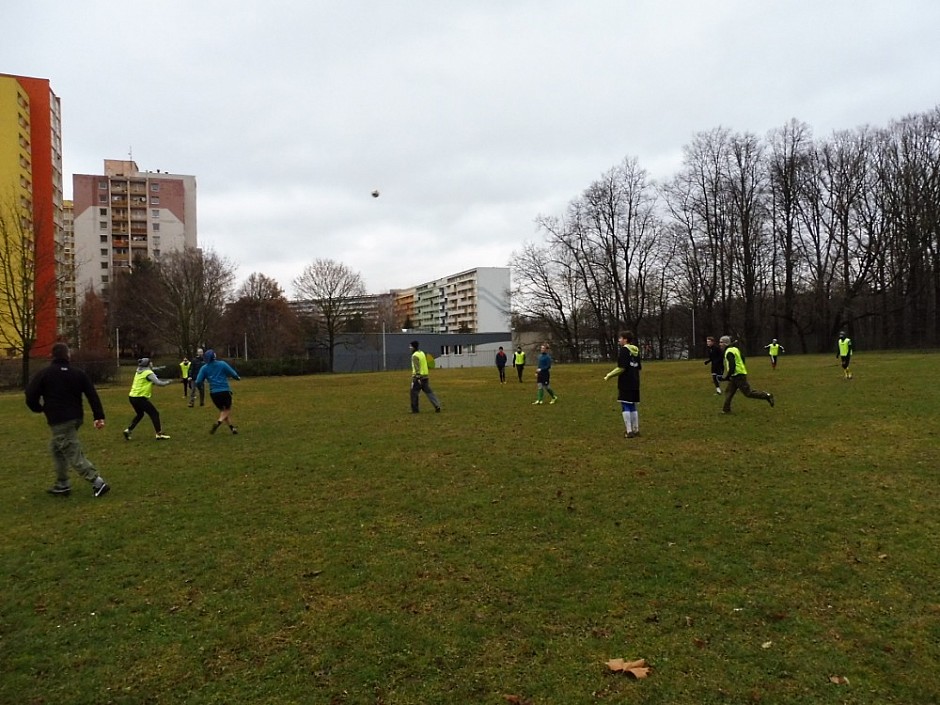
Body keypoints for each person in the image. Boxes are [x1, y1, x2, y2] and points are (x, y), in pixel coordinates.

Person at [24, 342, 110, 497]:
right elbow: (92, 394)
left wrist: (38, 408)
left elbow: (30, 395)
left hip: (59, 420)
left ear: (52, 356)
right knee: (56, 448)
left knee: (72, 451)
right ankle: (62, 484)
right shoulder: (78, 373)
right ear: (68, 355)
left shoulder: (45, 373)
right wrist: (98, 416)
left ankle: (98, 482)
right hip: (76, 417)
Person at [719, 335, 774, 413]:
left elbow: (732, 365)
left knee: (748, 393)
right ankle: (726, 410)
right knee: (729, 391)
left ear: (726, 343)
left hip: (738, 375)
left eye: (721, 342)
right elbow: (742, 358)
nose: (720, 344)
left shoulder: (729, 352)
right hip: (736, 374)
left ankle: (767, 396)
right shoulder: (735, 349)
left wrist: (727, 376)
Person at [123, 358, 173, 441]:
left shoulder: (138, 371)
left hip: (132, 397)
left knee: (140, 414)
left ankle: (128, 430)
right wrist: (168, 382)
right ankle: (159, 434)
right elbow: (159, 383)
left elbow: (147, 379)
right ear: (148, 364)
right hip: (140, 398)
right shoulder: (148, 373)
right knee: (154, 413)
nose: (152, 364)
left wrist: (161, 368)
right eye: (151, 362)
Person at [604, 330, 642, 438]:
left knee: (625, 404)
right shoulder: (636, 350)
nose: (619, 340)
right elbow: (638, 367)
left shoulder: (624, 350)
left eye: (620, 338)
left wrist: (609, 375)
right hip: (635, 380)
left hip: (626, 381)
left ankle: (629, 431)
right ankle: (636, 429)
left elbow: (621, 368)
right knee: (633, 405)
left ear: (625, 340)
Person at [195, 349, 242, 434]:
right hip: (224, 391)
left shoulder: (204, 368)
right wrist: (237, 378)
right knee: (227, 410)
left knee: (223, 411)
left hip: (214, 393)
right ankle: (218, 422)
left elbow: (198, 381)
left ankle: (232, 428)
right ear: (214, 356)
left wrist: (199, 387)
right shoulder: (222, 364)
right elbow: (233, 373)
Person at [409, 340, 441, 413]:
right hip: (425, 377)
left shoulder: (414, 356)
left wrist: (417, 377)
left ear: (414, 347)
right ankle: (437, 405)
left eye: (410, 346)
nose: (409, 348)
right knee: (429, 392)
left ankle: (415, 410)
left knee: (414, 393)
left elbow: (417, 367)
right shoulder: (422, 353)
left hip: (418, 378)